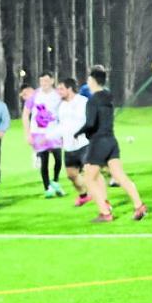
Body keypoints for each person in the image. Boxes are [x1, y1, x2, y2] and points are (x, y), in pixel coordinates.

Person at [76, 69, 146, 222]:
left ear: (93, 81)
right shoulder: (109, 99)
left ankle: (105, 212)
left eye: (89, 80)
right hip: (111, 141)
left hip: (99, 142)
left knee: (89, 178)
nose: (87, 83)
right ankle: (139, 205)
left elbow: (90, 123)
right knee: (120, 176)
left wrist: (78, 133)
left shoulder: (93, 100)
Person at [23, 73, 65, 198]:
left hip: (54, 131)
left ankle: (56, 181)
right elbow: (26, 114)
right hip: (39, 133)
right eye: (41, 81)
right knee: (44, 160)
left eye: (46, 80)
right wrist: (27, 133)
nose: (44, 83)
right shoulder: (35, 95)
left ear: (52, 81)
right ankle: (47, 187)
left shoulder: (58, 95)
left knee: (58, 158)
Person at [54, 77, 93, 207]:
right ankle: (84, 195)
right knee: (71, 175)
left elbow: (91, 120)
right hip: (69, 146)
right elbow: (61, 124)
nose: (58, 91)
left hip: (84, 144)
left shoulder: (83, 102)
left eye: (61, 89)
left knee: (91, 175)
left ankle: (103, 200)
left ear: (69, 89)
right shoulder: (61, 106)